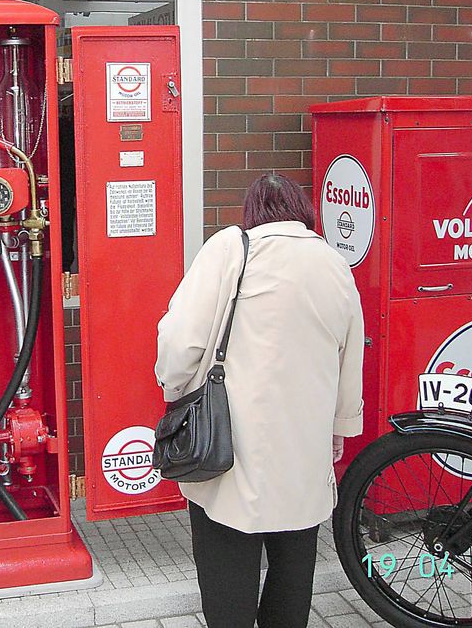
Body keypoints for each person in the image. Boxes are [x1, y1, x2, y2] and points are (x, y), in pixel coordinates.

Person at [155, 173, 363, 628]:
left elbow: (179, 340)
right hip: (304, 444)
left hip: (229, 444)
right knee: (294, 564)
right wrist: (340, 427)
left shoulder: (231, 248)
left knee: (226, 564)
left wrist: (175, 390)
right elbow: (350, 356)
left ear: (251, 212)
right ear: (304, 211)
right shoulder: (334, 264)